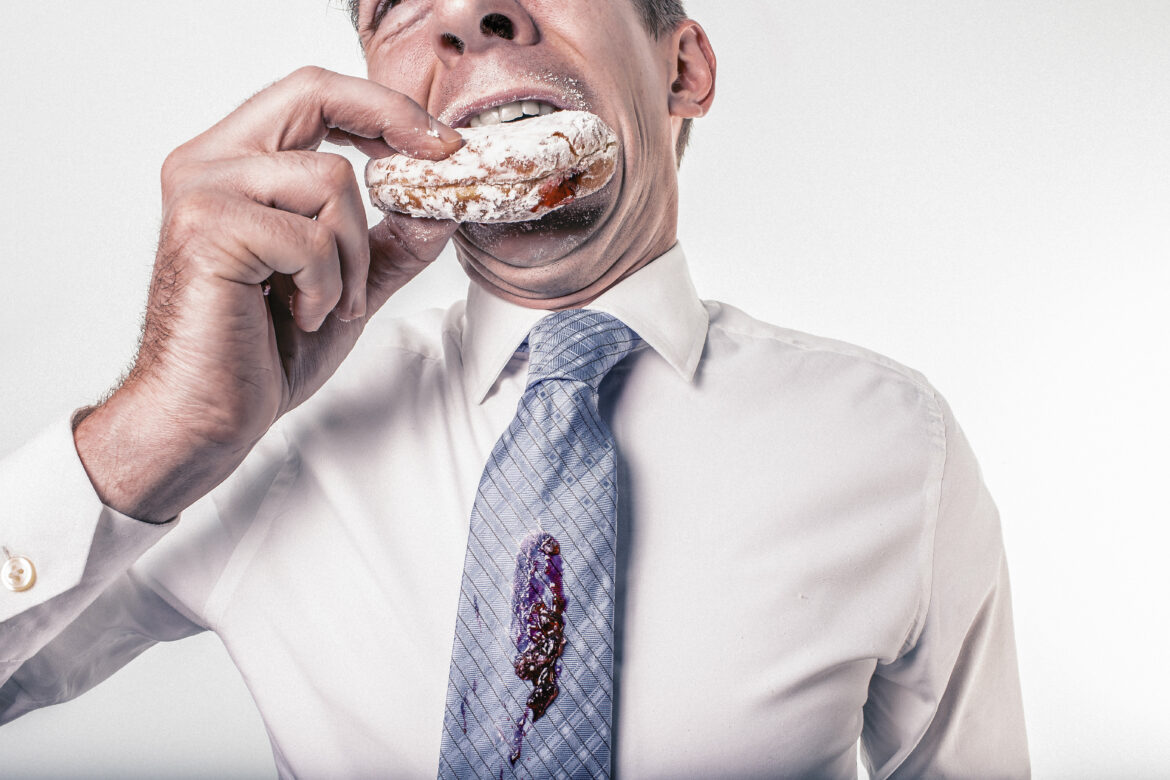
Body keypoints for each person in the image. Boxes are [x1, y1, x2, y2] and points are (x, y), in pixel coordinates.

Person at [0, 0, 1029, 777]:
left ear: (684, 67)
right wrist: (159, 426)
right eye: (404, 1)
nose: (466, 14)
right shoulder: (257, 439)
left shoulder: (897, 449)